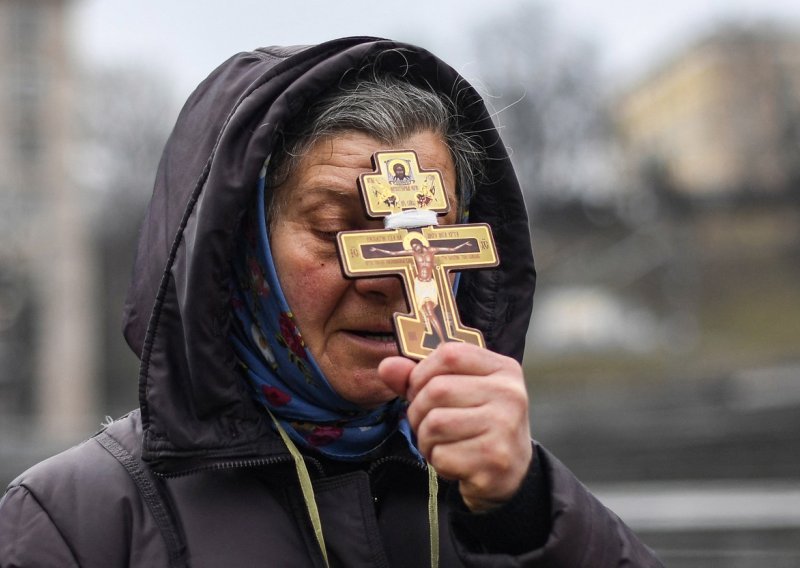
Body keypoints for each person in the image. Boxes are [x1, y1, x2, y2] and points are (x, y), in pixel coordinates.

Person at [0, 38, 663, 567]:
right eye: (336, 227)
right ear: (240, 249)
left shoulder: (508, 490)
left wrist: (524, 511)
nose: (396, 276)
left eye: (431, 232)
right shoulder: (75, 520)